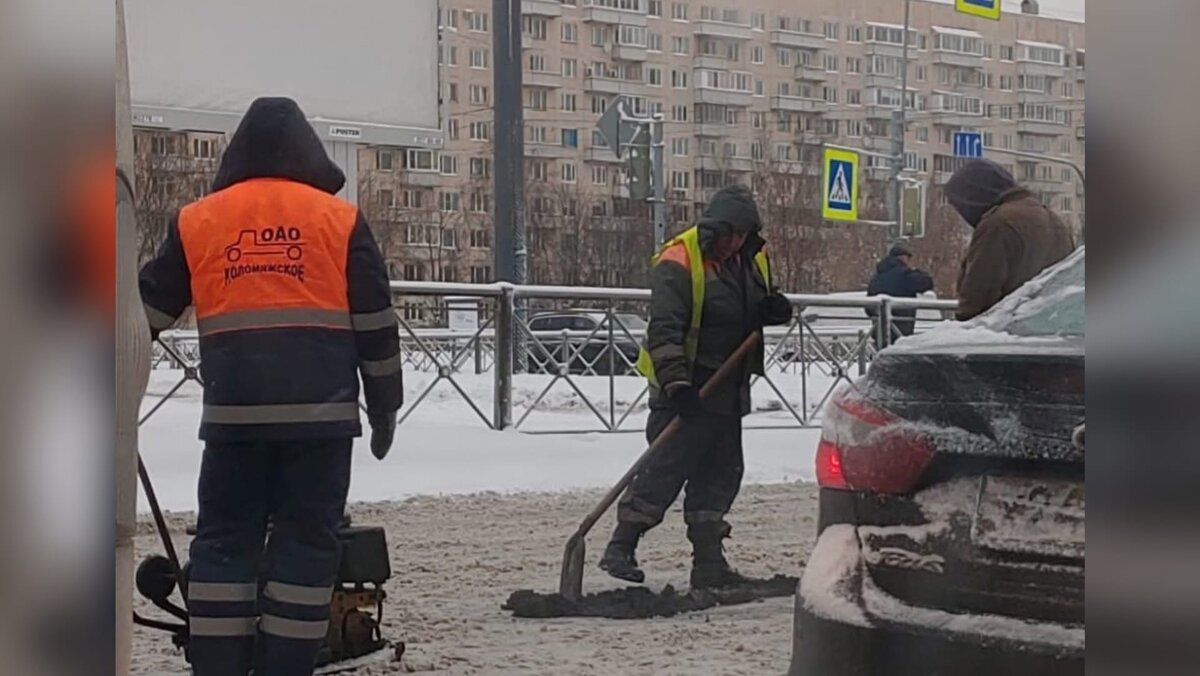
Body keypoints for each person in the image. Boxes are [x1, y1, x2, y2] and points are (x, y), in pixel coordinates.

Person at [139, 98, 402, 676]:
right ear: (309, 156)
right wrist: (385, 409)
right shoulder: (340, 220)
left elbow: (143, 315)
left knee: (223, 543)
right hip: (321, 425)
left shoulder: (197, 220)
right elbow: (376, 328)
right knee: (307, 548)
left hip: (234, 424)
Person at [599, 185, 793, 590]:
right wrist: (677, 386)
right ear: (715, 229)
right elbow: (665, 330)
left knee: (721, 475)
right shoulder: (680, 261)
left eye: (743, 236)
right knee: (663, 470)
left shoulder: (751, 259)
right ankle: (621, 547)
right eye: (730, 235)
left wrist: (773, 308)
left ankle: (709, 564)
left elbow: (752, 305)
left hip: (729, 386)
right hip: (687, 390)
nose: (735, 243)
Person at [945, 159, 1076, 320]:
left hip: (1003, 332)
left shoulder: (998, 223)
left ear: (973, 196)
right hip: (1049, 326)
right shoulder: (1055, 221)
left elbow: (979, 292)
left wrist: (963, 325)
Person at [866, 243, 934, 338]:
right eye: (909, 259)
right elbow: (926, 283)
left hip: (879, 331)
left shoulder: (876, 277)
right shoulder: (904, 275)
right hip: (901, 329)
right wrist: (916, 271)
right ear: (903, 258)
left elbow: (869, 307)